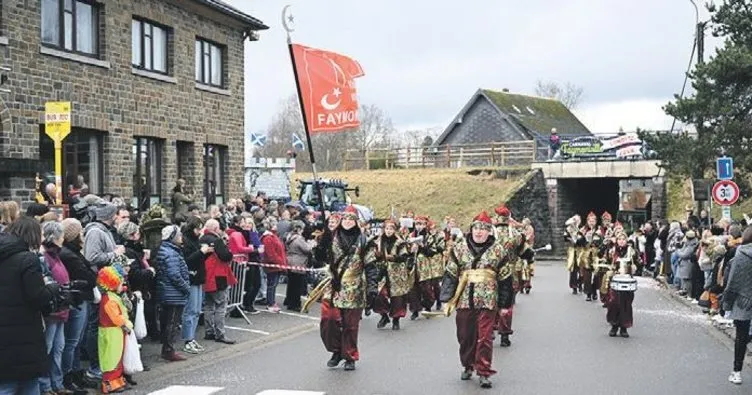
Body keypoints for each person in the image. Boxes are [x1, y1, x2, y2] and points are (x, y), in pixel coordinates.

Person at [439, 211, 515, 389]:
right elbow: (450, 274)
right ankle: (468, 364)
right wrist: (446, 298)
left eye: (483, 229)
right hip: (465, 299)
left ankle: (484, 370)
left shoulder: (498, 250)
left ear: (489, 231)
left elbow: (505, 279)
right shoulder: (459, 248)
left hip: (488, 300)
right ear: (471, 230)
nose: (479, 232)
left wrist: (505, 304)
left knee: (485, 338)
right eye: (476, 228)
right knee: (465, 336)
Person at [317, 206, 379, 371]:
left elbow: (371, 266)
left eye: (351, 219)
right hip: (334, 285)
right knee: (328, 319)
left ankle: (349, 356)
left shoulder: (364, 241)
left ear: (356, 222)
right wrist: (323, 243)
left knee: (350, 325)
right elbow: (319, 257)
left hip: (354, 286)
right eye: (345, 219)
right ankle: (336, 350)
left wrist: (372, 287)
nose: (347, 222)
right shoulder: (332, 236)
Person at [59, 218, 97, 393]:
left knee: (75, 341)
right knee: (72, 342)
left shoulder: (73, 252)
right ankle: (69, 376)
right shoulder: (69, 254)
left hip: (81, 298)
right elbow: (89, 277)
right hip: (78, 300)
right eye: (80, 232)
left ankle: (75, 373)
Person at [39, 221, 74, 395]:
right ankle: (45, 385)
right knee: (48, 347)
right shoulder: (45, 256)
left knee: (58, 347)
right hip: (53, 309)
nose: (63, 239)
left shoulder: (55, 255)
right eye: (60, 236)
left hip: (61, 307)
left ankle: (57, 383)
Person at [722, 226, 752, 386]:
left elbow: (733, 279)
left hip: (742, 300)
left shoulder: (741, 253)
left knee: (741, 337)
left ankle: (737, 371)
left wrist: (726, 301)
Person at [155, 225, 190, 361]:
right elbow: (174, 275)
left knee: (168, 321)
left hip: (168, 291)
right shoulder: (171, 253)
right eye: (179, 236)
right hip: (173, 293)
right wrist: (185, 287)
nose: (181, 238)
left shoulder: (168, 250)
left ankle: (167, 348)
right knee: (172, 322)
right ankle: (168, 350)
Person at [96, 266, 132, 394]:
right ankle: (109, 383)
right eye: (120, 283)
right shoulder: (109, 300)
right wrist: (127, 324)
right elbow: (116, 318)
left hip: (116, 332)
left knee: (118, 357)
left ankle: (117, 380)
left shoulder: (111, 297)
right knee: (111, 358)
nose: (122, 285)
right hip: (111, 332)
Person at [200, 219, 237, 344]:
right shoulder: (216, 241)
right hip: (218, 276)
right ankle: (220, 334)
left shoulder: (201, 239)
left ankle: (209, 331)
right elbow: (226, 256)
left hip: (205, 275)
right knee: (221, 306)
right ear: (216, 229)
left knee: (209, 305)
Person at [181, 216, 213, 354]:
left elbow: (199, 259)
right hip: (192, 277)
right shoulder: (186, 242)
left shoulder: (195, 241)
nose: (200, 231)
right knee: (191, 310)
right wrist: (201, 252)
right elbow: (188, 261)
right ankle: (188, 339)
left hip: (199, 277)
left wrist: (205, 254)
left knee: (197, 310)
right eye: (198, 228)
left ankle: (192, 337)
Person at [372, 219, 411, 330]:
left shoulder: (400, 242)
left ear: (395, 230)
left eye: (391, 229)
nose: (388, 231)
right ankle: (384, 316)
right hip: (383, 272)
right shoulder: (378, 241)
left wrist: (393, 258)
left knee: (397, 298)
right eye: (387, 228)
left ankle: (396, 319)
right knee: (379, 295)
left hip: (397, 273)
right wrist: (377, 255)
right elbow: (374, 255)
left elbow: (404, 257)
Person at [605, 231, 639, 338]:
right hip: (615, 279)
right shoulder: (612, 251)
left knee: (626, 303)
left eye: (623, 239)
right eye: (619, 239)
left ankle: (624, 327)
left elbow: (638, 262)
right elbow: (606, 261)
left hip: (627, 280)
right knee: (614, 303)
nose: (621, 241)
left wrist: (635, 267)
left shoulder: (632, 251)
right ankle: (614, 326)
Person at [285, 220, 315, 312]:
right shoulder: (298, 238)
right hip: (298, 262)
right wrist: (312, 243)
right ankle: (295, 304)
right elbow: (307, 249)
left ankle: (289, 301)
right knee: (297, 285)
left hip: (290, 261)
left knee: (291, 284)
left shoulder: (290, 236)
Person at [261, 217, 287, 313]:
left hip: (276, 265)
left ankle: (272, 301)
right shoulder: (268, 238)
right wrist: (279, 262)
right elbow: (271, 254)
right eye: (275, 224)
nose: (277, 226)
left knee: (273, 284)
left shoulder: (273, 236)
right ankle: (270, 303)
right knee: (272, 284)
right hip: (273, 265)